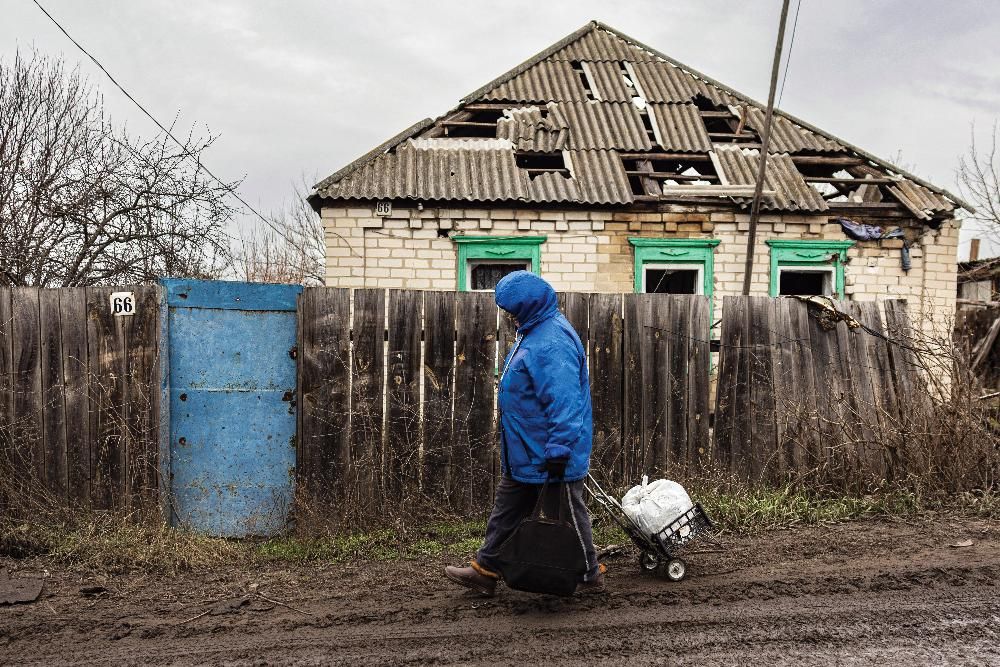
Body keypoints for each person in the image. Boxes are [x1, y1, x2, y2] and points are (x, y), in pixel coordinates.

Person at [444, 271, 604, 596]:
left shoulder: (551, 342)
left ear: (528, 306)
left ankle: (589, 575)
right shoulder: (533, 331)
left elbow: (564, 402)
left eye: (512, 309)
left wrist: (559, 450)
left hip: (550, 452)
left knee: (568, 513)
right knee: (508, 508)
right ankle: (485, 570)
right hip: (526, 450)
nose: (509, 316)